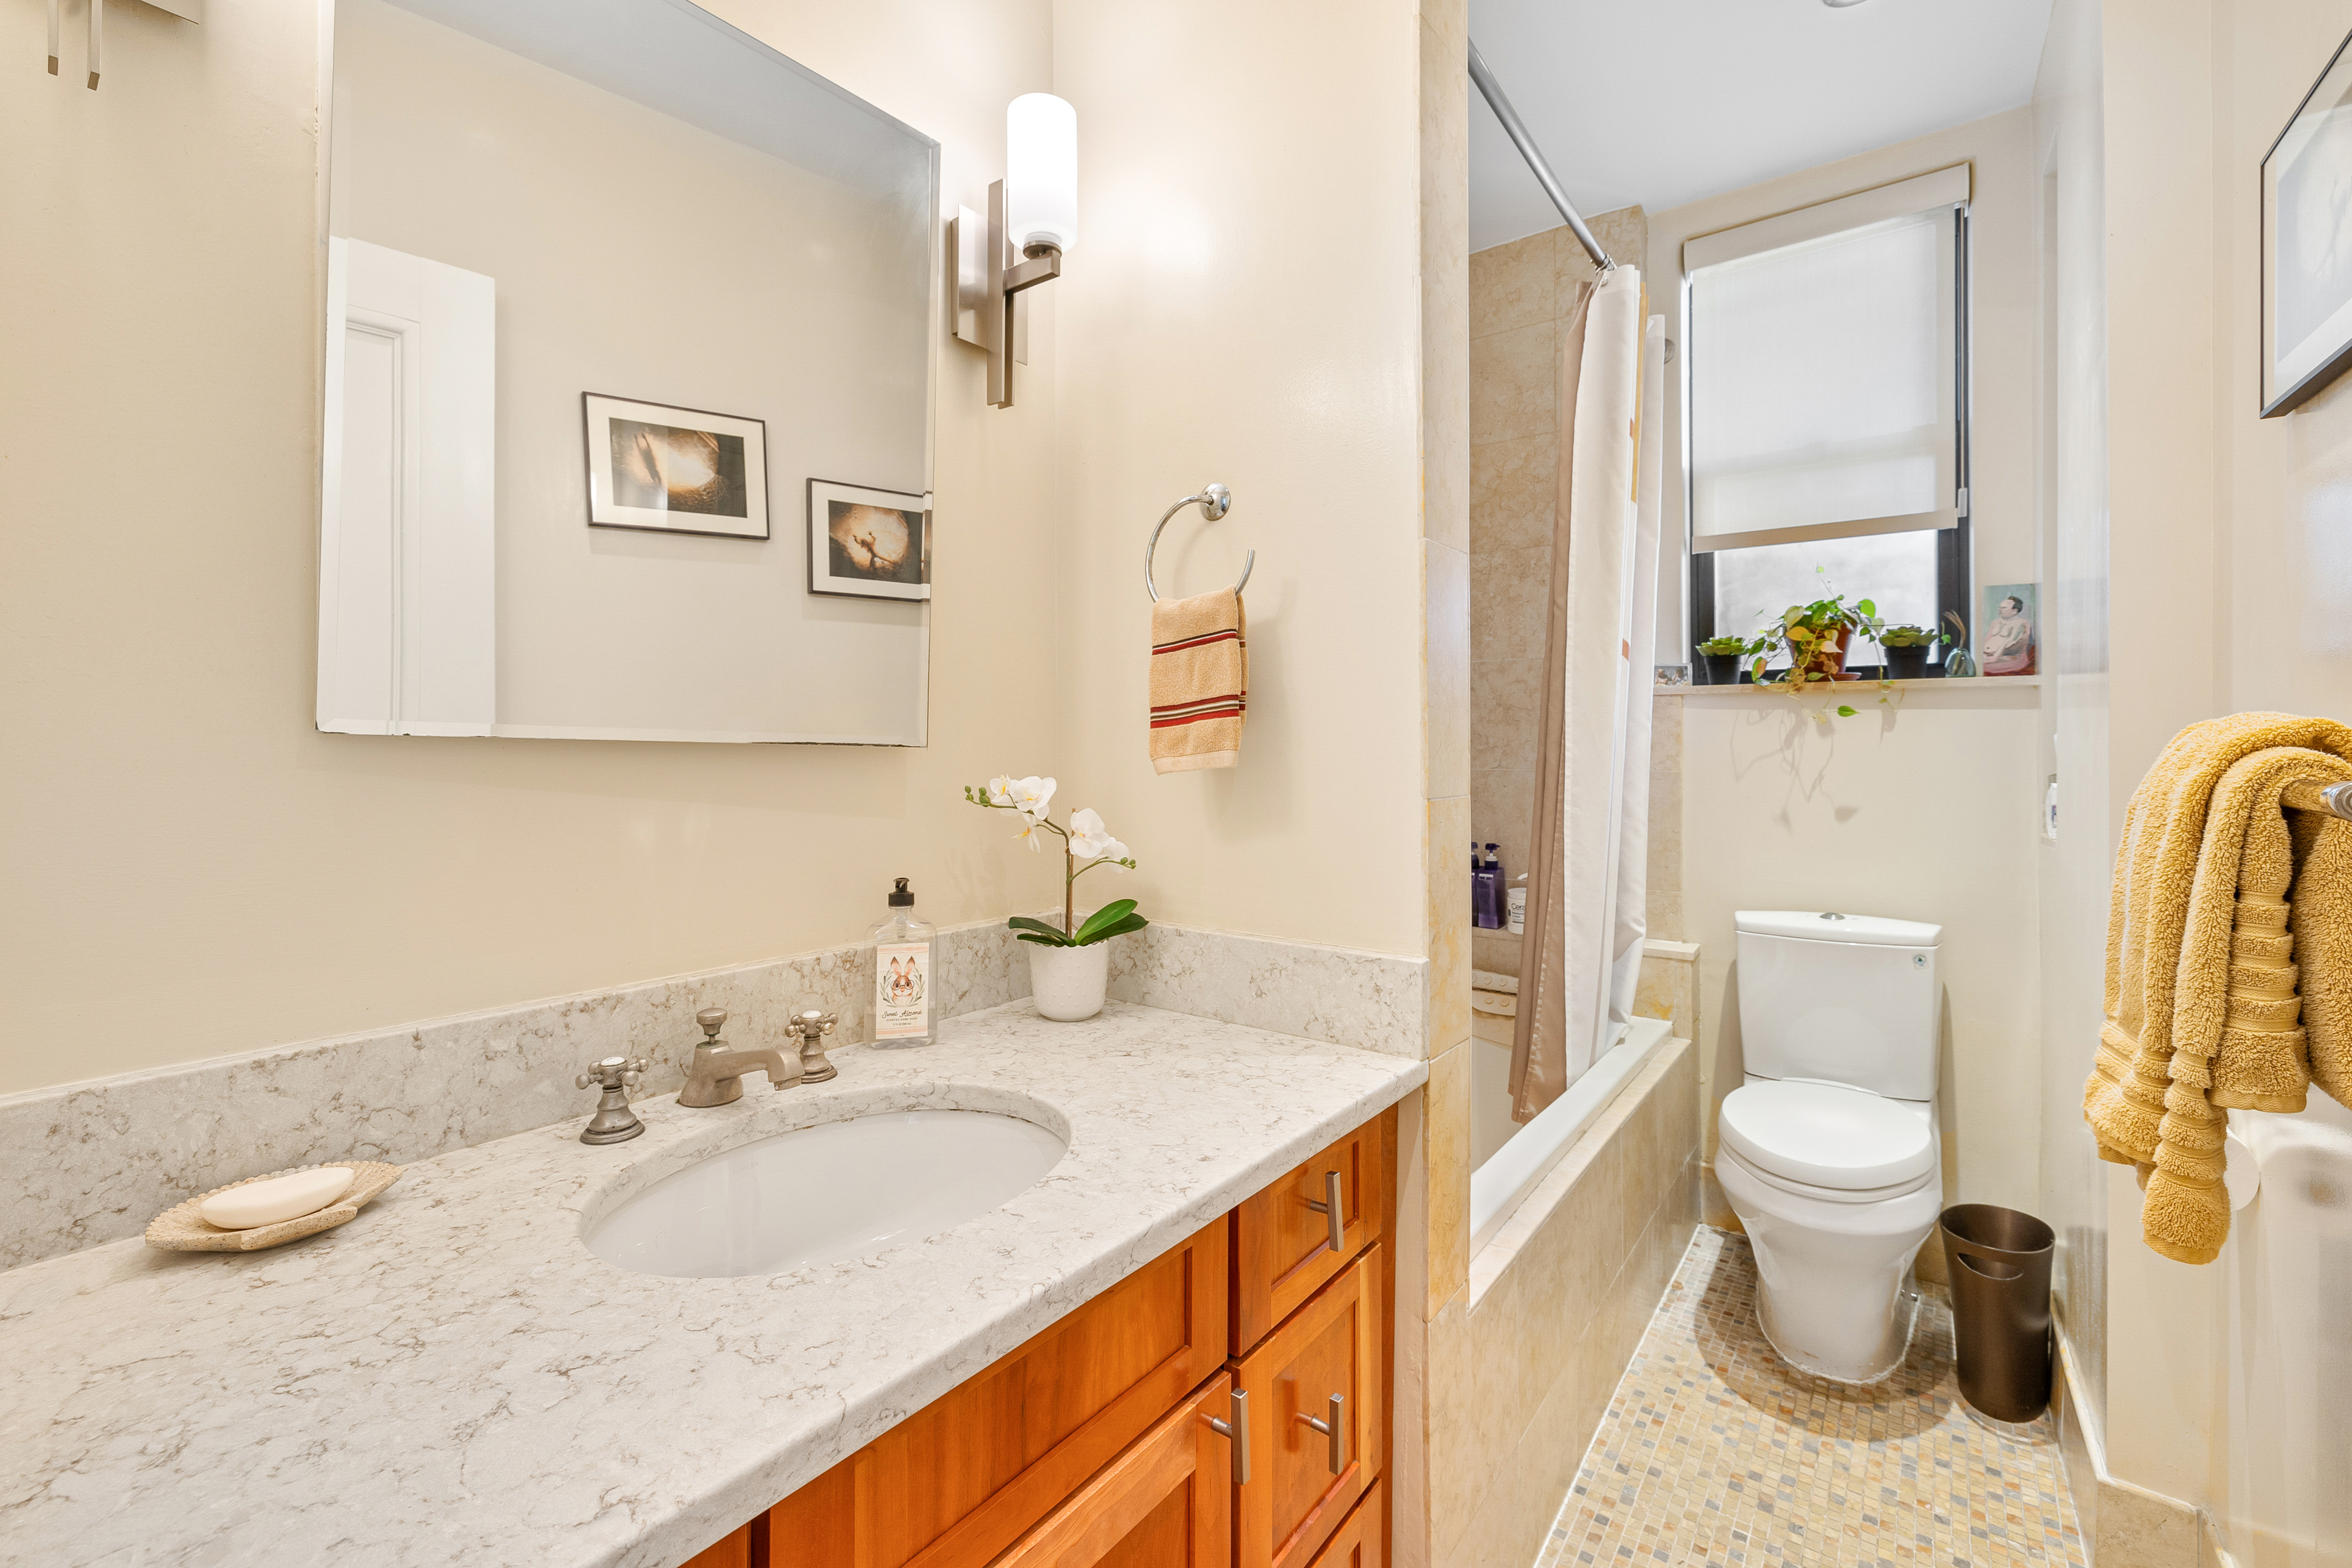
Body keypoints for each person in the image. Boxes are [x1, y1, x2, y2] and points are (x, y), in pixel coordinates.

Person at [1981, 594, 2035, 675]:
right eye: (2000, 608)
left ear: (2014, 610)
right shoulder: (1996, 622)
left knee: (1980, 666)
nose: (2000, 610)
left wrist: (1994, 657)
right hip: (1989, 656)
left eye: (2003, 608)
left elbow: (2011, 642)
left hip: (2009, 658)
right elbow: (1987, 639)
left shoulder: (2021, 624)